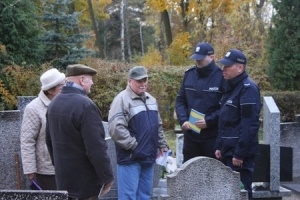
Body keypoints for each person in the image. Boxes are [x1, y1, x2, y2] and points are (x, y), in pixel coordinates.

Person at [46, 64, 114, 200]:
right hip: (85, 184)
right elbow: (96, 147)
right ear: (82, 80)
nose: (93, 83)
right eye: (90, 79)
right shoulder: (86, 105)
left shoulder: (54, 103)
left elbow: (49, 141)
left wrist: (59, 167)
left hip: (63, 180)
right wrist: (107, 177)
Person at [108, 66, 169, 200]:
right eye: (139, 81)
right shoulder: (121, 100)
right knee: (128, 196)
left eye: (145, 80)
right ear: (130, 81)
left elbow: (157, 126)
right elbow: (115, 128)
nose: (143, 84)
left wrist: (162, 145)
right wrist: (134, 146)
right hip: (130, 158)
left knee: (145, 196)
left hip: (148, 156)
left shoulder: (151, 100)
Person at [215, 49, 261, 200]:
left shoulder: (248, 89)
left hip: (239, 156)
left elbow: (249, 125)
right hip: (227, 151)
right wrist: (219, 146)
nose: (223, 69)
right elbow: (225, 121)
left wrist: (240, 153)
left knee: (241, 194)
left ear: (240, 68)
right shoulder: (231, 87)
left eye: (227, 66)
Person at [175, 42, 224, 162]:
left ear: (212, 57)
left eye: (201, 59)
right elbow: (180, 100)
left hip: (212, 136)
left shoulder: (221, 77)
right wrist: (183, 119)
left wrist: (209, 121)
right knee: (189, 172)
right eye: (196, 58)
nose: (197, 61)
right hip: (191, 135)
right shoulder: (189, 74)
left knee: (210, 173)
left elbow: (226, 107)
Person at [20, 68, 65, 190]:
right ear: (50, 90)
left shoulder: (65, 103)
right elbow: (27, 140)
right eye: (61, 86)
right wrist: (30, 170)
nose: (65, 87)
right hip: (47, 170)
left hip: (67, 165)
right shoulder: (33, 108)